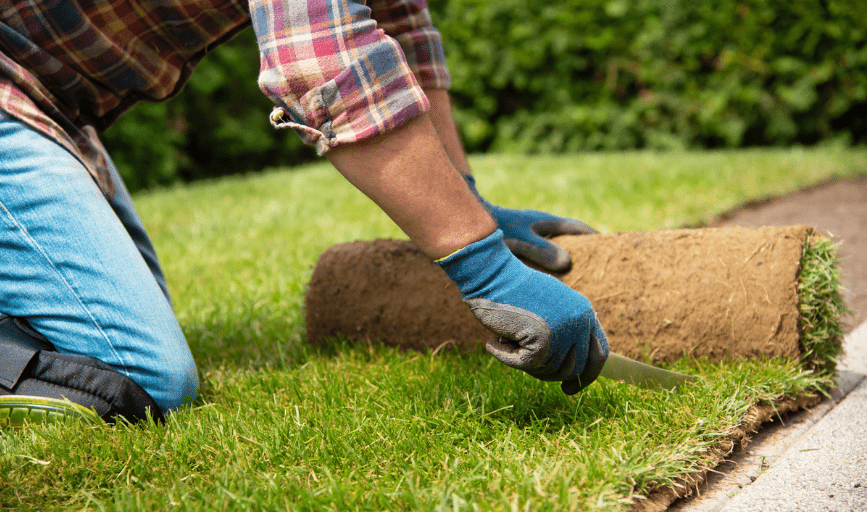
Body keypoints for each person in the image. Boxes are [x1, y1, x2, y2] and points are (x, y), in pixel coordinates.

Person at [0, 0, 608, 426]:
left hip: (50, 108)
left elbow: (400, 24)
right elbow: (322, 60)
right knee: (140, 375)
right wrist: (486, 270)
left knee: (75, 339)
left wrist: (468, 200)